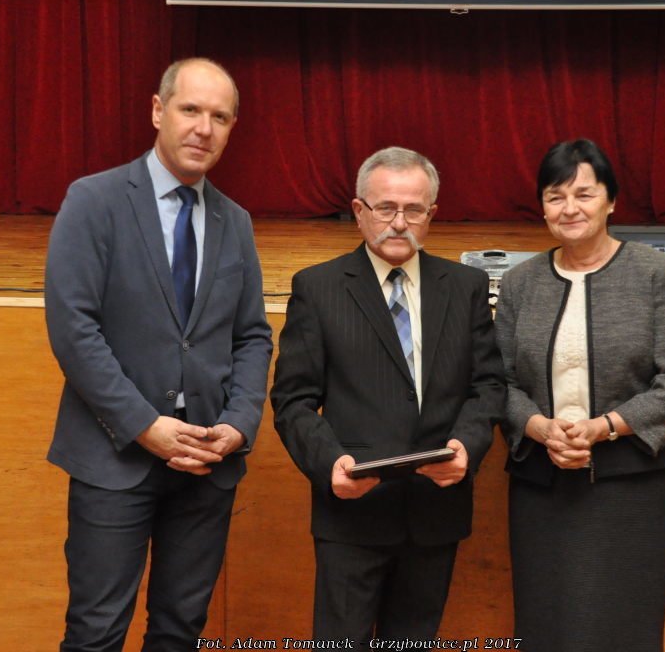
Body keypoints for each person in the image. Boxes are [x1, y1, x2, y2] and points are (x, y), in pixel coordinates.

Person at [44, 58, 272, 652]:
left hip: (206, 466)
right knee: (96, 634)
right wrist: (145, 426)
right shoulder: (93, 200)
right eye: (190, 109)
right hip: (113, 460)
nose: (204, 128)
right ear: (157, 111)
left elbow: (252, 336)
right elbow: (73, 329)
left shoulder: (235, 221)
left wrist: (238, 425)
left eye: (220, 117)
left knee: (179, 633)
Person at [270, 147, 505, 645]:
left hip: (435, 511)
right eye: (386, 208)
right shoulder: (319, 287)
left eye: (413, 210)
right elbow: (293, 400)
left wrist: (467, 447)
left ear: (431, 215)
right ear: (359, 212)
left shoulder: (466, 286)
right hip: (352, 512)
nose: (399, 223)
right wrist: (329, 463)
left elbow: (488, 386)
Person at [494, 139, 665, 651]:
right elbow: (498, 382)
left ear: (611, 201)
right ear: (542, 207)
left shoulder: (652, 272)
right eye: (555, 196)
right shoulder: (519, 283)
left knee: (624, 625)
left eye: (584, 194)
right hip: (541, 482)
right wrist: (539, 428)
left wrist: (602, 427)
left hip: (631, 483)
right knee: (545, 623)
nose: (569, 208)